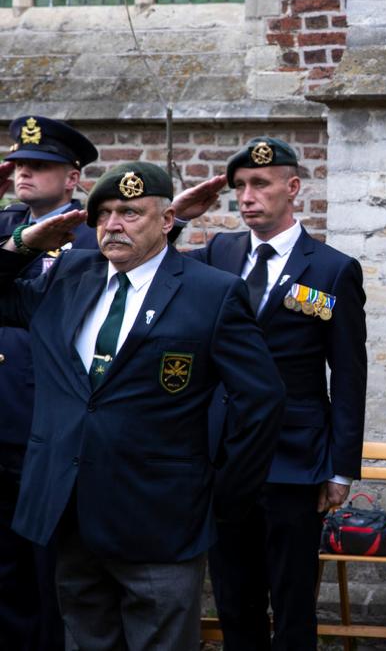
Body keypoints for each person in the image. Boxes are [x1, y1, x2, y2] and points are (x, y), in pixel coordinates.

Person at [0, 161, 285, 651]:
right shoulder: (67, 276)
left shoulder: (209, 292)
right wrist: (22, 245)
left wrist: (225, 493)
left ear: (166, 219)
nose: (113, 224)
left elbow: (261, 400)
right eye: (104, 213)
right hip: (70, 512)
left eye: (130, 212)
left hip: (162, 519)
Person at [171, 136, 367, 651]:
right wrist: (176, 217)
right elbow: (154, 267)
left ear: (292, 188)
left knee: (293, 601)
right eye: (239, 187)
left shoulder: (331, 268)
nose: (247, 196)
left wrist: (341, 467)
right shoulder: (218, 252)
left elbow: (348, 373)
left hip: (294, 457)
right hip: (225, 453)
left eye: (260, 183)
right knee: (234, 599)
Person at [0, 115, 99, 651]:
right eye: (18, 165)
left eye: (39, 166)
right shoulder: (6, 230)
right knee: (8, 575)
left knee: (53, 576)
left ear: (72, 176)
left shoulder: (93, 235)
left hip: (53, 428)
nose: (24, 174)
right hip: (4, 420)